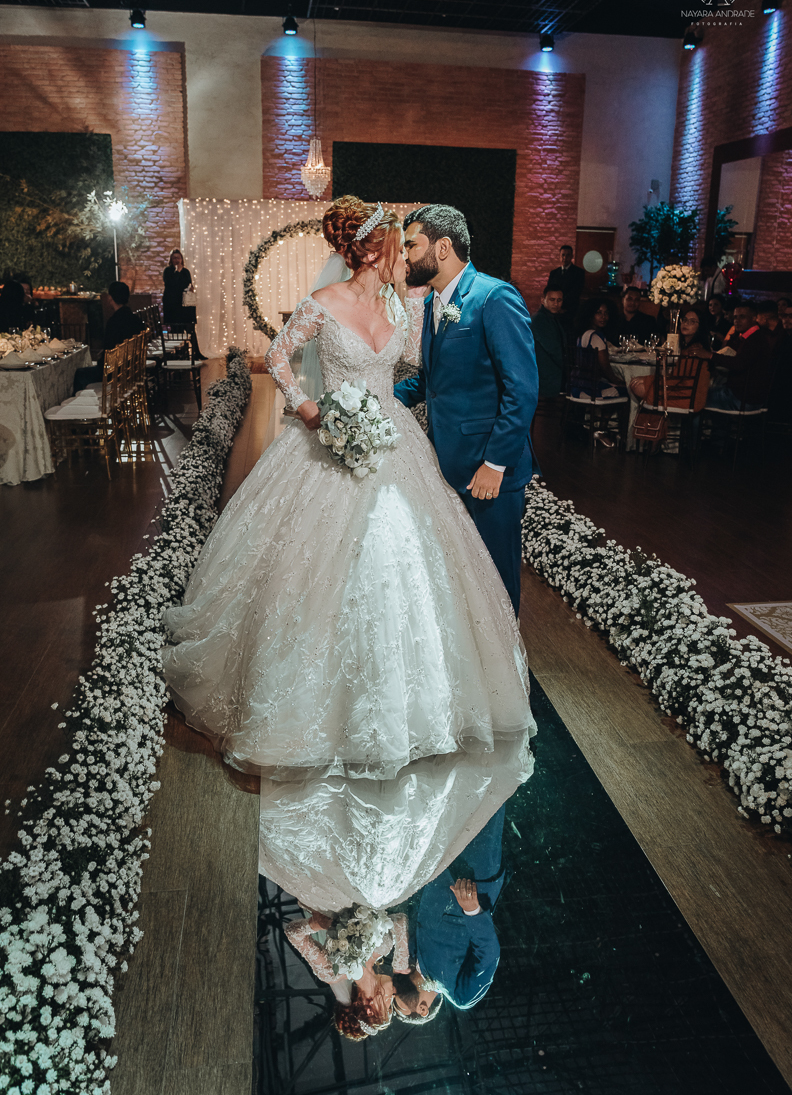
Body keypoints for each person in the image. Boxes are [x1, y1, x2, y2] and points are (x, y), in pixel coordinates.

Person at [163, 197, 536, 906]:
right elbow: (278, 356)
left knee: (408, 570)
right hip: (325, 445)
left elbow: (414, 376)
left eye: (410, 243)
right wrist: (315, 413)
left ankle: (412, 698)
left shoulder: (405, 309)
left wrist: (386, 410)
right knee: (313, 572)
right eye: (397, 243)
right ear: (370, 249)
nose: (404, 253)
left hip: (395, 444)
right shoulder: (324, 300)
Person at [394, 204, 539, 616]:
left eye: (411, 245)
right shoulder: (431, 304)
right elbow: (430, 382)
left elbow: (522, 390)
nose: (405, 256)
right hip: (445, 465)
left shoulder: (494, 297)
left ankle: (507, 673)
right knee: (460, 576)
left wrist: (495, 464)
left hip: (488, 471)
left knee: (495, 579)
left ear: (442, 248)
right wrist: (375, 400)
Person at [395, 806, 507, 1017]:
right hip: (474, 876)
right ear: (422, 1009)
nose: (394, 1000)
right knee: (489, 797)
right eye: (398, 1009)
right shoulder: (461, 997)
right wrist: (473, 910)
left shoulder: (409, 959)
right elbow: (488, 955)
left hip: (441, 860)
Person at [284, 910, 408, 1039]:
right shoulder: (384, 949)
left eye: (388, 1007)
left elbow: (293, 933)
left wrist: (316, 924)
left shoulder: (332, 973)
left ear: (369, 1010)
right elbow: (399, 919)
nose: (394, 995)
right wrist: (401, 957)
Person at [630, 306, 711, 412]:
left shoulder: (696, 350)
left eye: (692, 322)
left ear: (700, 327)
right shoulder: (688, 347)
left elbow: (678, 380)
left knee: (638, 386)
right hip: (681, 391)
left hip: (686, 397)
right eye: (685, 320)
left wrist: (647, 379)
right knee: (638, 384)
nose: (686, 324)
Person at [72, 281, 145, 394]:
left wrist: (101, 360)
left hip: (115, 371)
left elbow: (109, 352)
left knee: (80, 374)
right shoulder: (136, 320)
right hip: (131, 368)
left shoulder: (114, 322)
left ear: (111, 298)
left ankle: (81, 405)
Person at [706, 302, 774, 410]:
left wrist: (710, 356)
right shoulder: (746, 337)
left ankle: (709, 427)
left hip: (744, 398)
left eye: (742, 317)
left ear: (754, 318)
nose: (737, 321)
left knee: (698, 397)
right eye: (735, 317)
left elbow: (738, 363)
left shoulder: (755, 339)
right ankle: (720, 426)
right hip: (746, 395)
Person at [569, 299, 627, 400]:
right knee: (627, 390)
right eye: (598, 313)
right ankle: (607, 416)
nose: (603, 317)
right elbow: (606, 369)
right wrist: (621, 382)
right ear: (590, 314)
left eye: (606, 313)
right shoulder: (596, 337)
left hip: (574, 386)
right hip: (589, 390)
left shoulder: (582, 334)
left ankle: (603, 416)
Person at [162, 249, 206, 359]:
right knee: (177, 331)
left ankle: (196, 352)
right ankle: (180, 354)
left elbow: (187, 283)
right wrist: (177, 271)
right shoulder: (168, 271)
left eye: (178, 258)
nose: (176, 260)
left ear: (182, 259)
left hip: (185, 305)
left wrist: (190, 288)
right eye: (174, 258)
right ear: (171, 260)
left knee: (190, 328)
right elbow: (171, 285)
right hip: (173, 306)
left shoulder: (186, 271)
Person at [528, 285, 566, 401]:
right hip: (547, 377)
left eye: (559, 300)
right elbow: (554, 350)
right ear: (543, 300)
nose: (556, 304)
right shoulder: (540, 320)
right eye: (552, 300)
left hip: (549, 375)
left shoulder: (551, 318)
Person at [547, 244, 585, 328]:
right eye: (563, 255)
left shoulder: (579, 273)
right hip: (554, 310)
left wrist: (562, 307)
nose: (565, 257)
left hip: (570, 311)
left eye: (568, 255)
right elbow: (549, 290)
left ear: (572, 256)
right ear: (560, 256)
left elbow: (576, 291)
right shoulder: (554, 273)